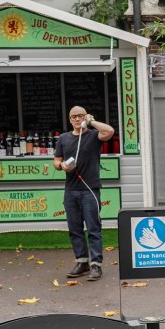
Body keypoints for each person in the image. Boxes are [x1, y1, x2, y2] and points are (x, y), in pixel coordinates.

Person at [53, 106, 115, 281]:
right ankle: (82, 262)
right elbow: (56, 162)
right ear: (70, 119)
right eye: (74, 117)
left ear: (85, 117)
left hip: (90, 190)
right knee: (75, 228)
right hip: (71, 190)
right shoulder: (64, 139)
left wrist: (91, 122)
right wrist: (62, 165)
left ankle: (96, 265)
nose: (77, 119)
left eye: (81, 116)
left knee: (93, 228)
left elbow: (109, 131)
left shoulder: (94, 136)